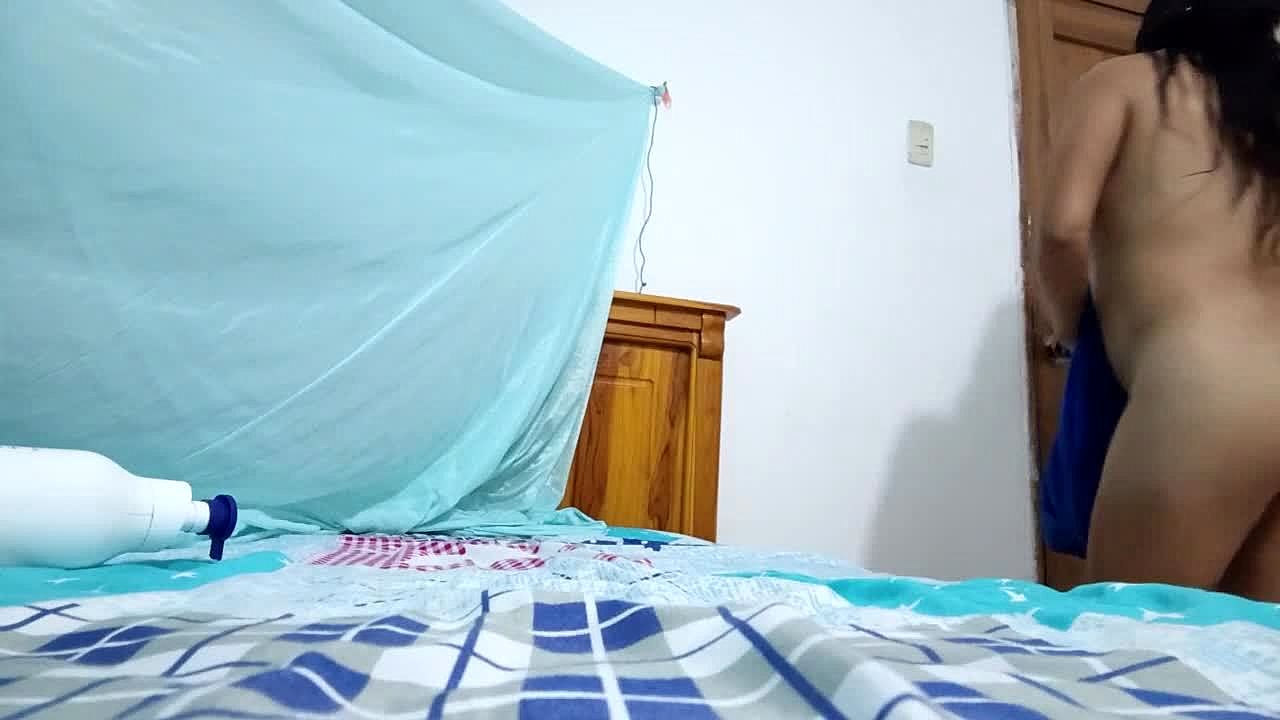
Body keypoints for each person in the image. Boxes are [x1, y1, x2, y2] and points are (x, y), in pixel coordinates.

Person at [1030, 0, 1280, 601]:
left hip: (1212, 389)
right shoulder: (1268, 114)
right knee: (1254, 645)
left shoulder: (1125, 80)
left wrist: (1070, 330)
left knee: (1122, 633)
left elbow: (1062, 231)